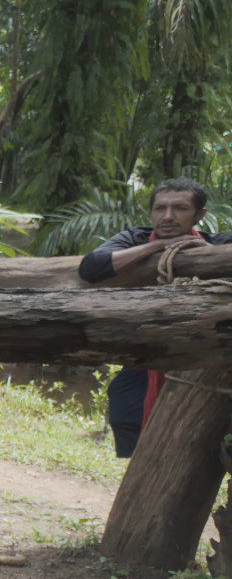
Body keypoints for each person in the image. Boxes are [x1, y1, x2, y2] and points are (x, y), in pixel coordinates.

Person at [78, 178, 231, 456]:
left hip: (207, 360)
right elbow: (91, 267)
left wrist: (209, 255)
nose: (168, 216)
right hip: (147, 355)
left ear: (200, 215)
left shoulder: (218, 243)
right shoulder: (133, 240)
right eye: (160, 208)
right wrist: (156, 248)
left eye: (180, 208)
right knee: (127, 410)